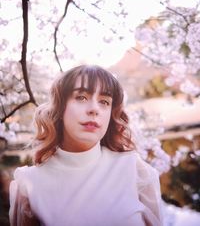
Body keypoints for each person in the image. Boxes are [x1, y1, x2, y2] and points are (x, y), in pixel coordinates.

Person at [9, 64, 163, 226]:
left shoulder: (135, 171)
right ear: (60, 108)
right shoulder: (29, 185)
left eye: (104, 101)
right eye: (81, 97)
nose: (94, 109)